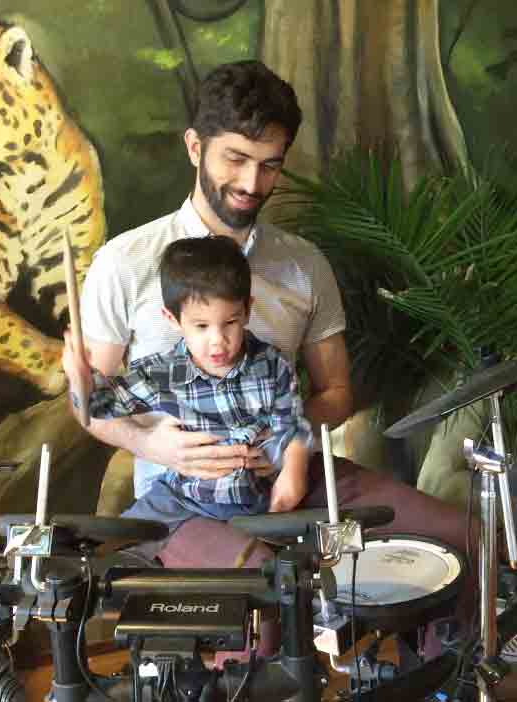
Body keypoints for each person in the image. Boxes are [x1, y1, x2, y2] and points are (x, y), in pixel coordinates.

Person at [79, 60, 478, 658]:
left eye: (269, 164)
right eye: (235, 158)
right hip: (184, 499)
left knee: (460, 536)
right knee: (268, 597)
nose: (251, 181)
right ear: (195, 147)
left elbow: (337, 393)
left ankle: (437, 680)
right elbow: (91, 405)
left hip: (298, 478)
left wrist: (283, 436)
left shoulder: (303, 265)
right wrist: (156, 446)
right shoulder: (124, 263)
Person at [64, 235, 314, 524]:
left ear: (247, 310)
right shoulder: (167, 372)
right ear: (173, 319)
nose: (217, 341)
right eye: (201, 326)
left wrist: (293, 472)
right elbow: (97, 407)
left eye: (230, 323)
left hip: (253, 501)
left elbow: (293, 428)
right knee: (115, 542)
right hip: (183, 498)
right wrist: (81, 380)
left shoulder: (271, 365)